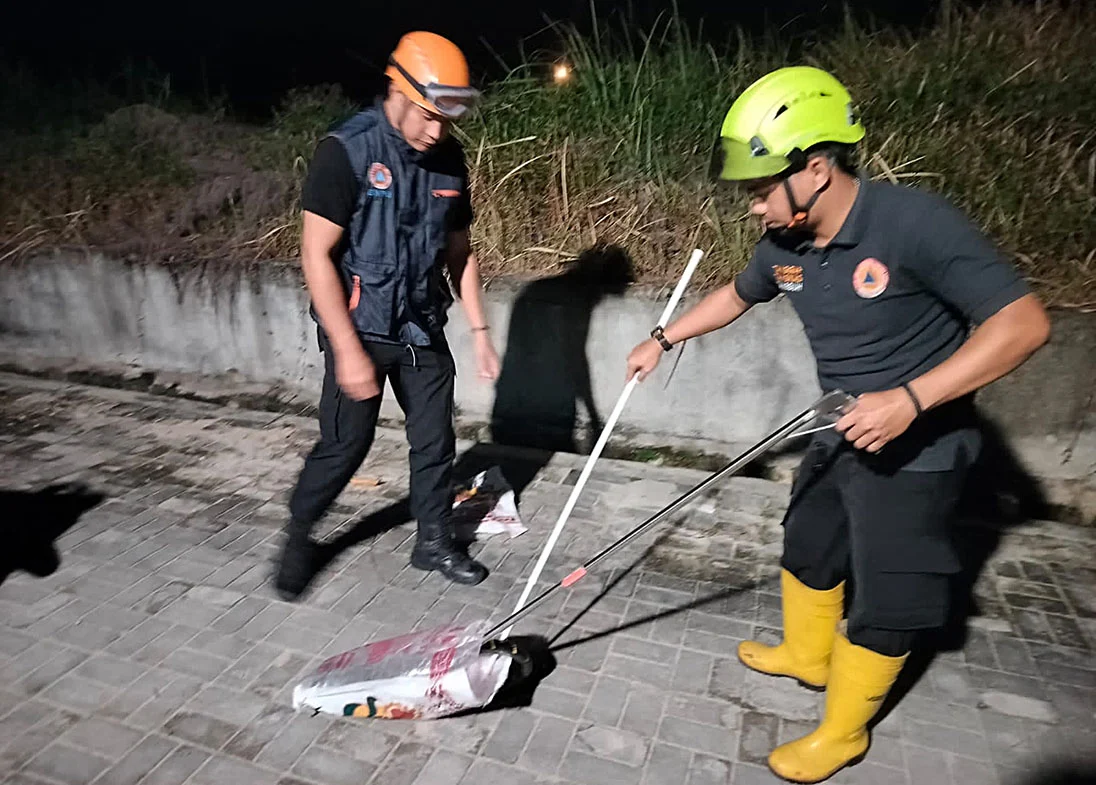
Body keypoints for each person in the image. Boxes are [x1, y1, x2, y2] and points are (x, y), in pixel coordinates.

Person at [626, 66, 1050, 783]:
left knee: (890, 595)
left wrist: (910, 399)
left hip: (920, 448)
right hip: (839, 425)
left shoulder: (913, 224)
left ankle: (843, 732)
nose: (754, 206)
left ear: (816, 170)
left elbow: (1024, 324)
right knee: (809, 541)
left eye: (763, 188)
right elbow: (738, 294)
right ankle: (806, 655)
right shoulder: (785, 244)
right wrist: (663, 338)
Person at [274, 31, 501, 599]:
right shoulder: (346, 151)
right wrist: (347, 349)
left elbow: (460, 251)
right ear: (397, 90)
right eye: (428, 116)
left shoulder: (448, 160)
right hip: (361, 324)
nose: (436, 132)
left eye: (447, 120)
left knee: (435, 441)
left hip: (420, 324)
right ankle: (300, 534)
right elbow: (315, 254)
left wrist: (480, 331)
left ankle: (433, 541)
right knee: (345, 445)